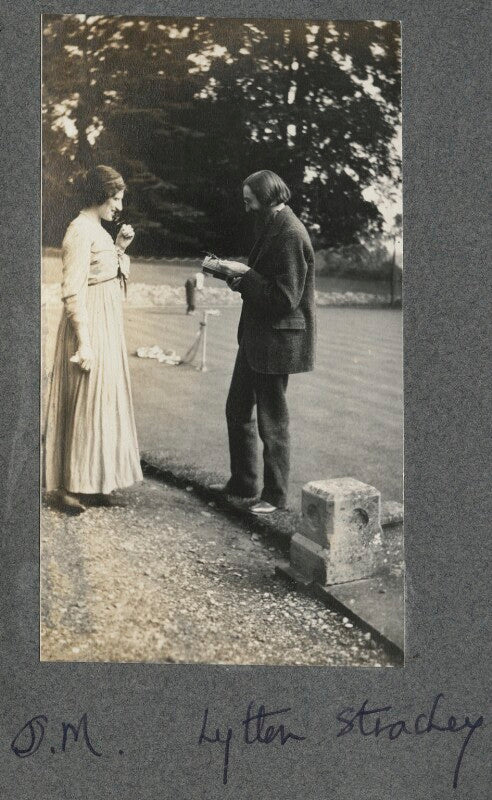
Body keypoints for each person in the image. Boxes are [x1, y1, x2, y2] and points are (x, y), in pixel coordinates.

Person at [213, 170, 316, 513]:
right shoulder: (273, 225)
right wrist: (240, 278)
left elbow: (285, 299)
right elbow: (264, 282)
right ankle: (243, 483)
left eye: (250, 201)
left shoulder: (290, 233)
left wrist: (245, 277)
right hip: (257, 338)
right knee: (237, 409)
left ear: (267, 197)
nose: (247, 208)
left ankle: (275, 496)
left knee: (272, 422)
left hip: (275, 342)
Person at [43, 165, 143, 513]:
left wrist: (120, 247)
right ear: (100, 195)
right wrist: (84, 341)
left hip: (107, 326)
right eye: (115, 199)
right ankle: (68, 486)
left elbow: (108, 276)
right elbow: (72, 291)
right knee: (84, 402)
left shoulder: (99, 231)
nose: (119, 206)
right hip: (88, 327)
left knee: (103, 401)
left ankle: (94, 481)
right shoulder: (79, 231)